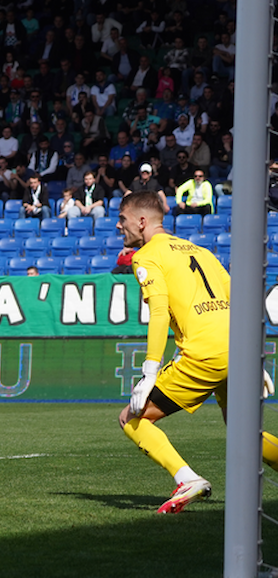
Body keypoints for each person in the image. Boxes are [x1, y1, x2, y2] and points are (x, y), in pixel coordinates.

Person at [117, 191, 278, 514]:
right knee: (244, 431)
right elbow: (240, 303)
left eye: (123, 220)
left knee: (131, 418)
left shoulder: (146, 256)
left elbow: (159, 312)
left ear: (142, 221)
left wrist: (150, 373)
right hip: (236, 349)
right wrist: (252, 356)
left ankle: (187, 479)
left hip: (203, 354)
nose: (119, 227)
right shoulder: (201, 251)